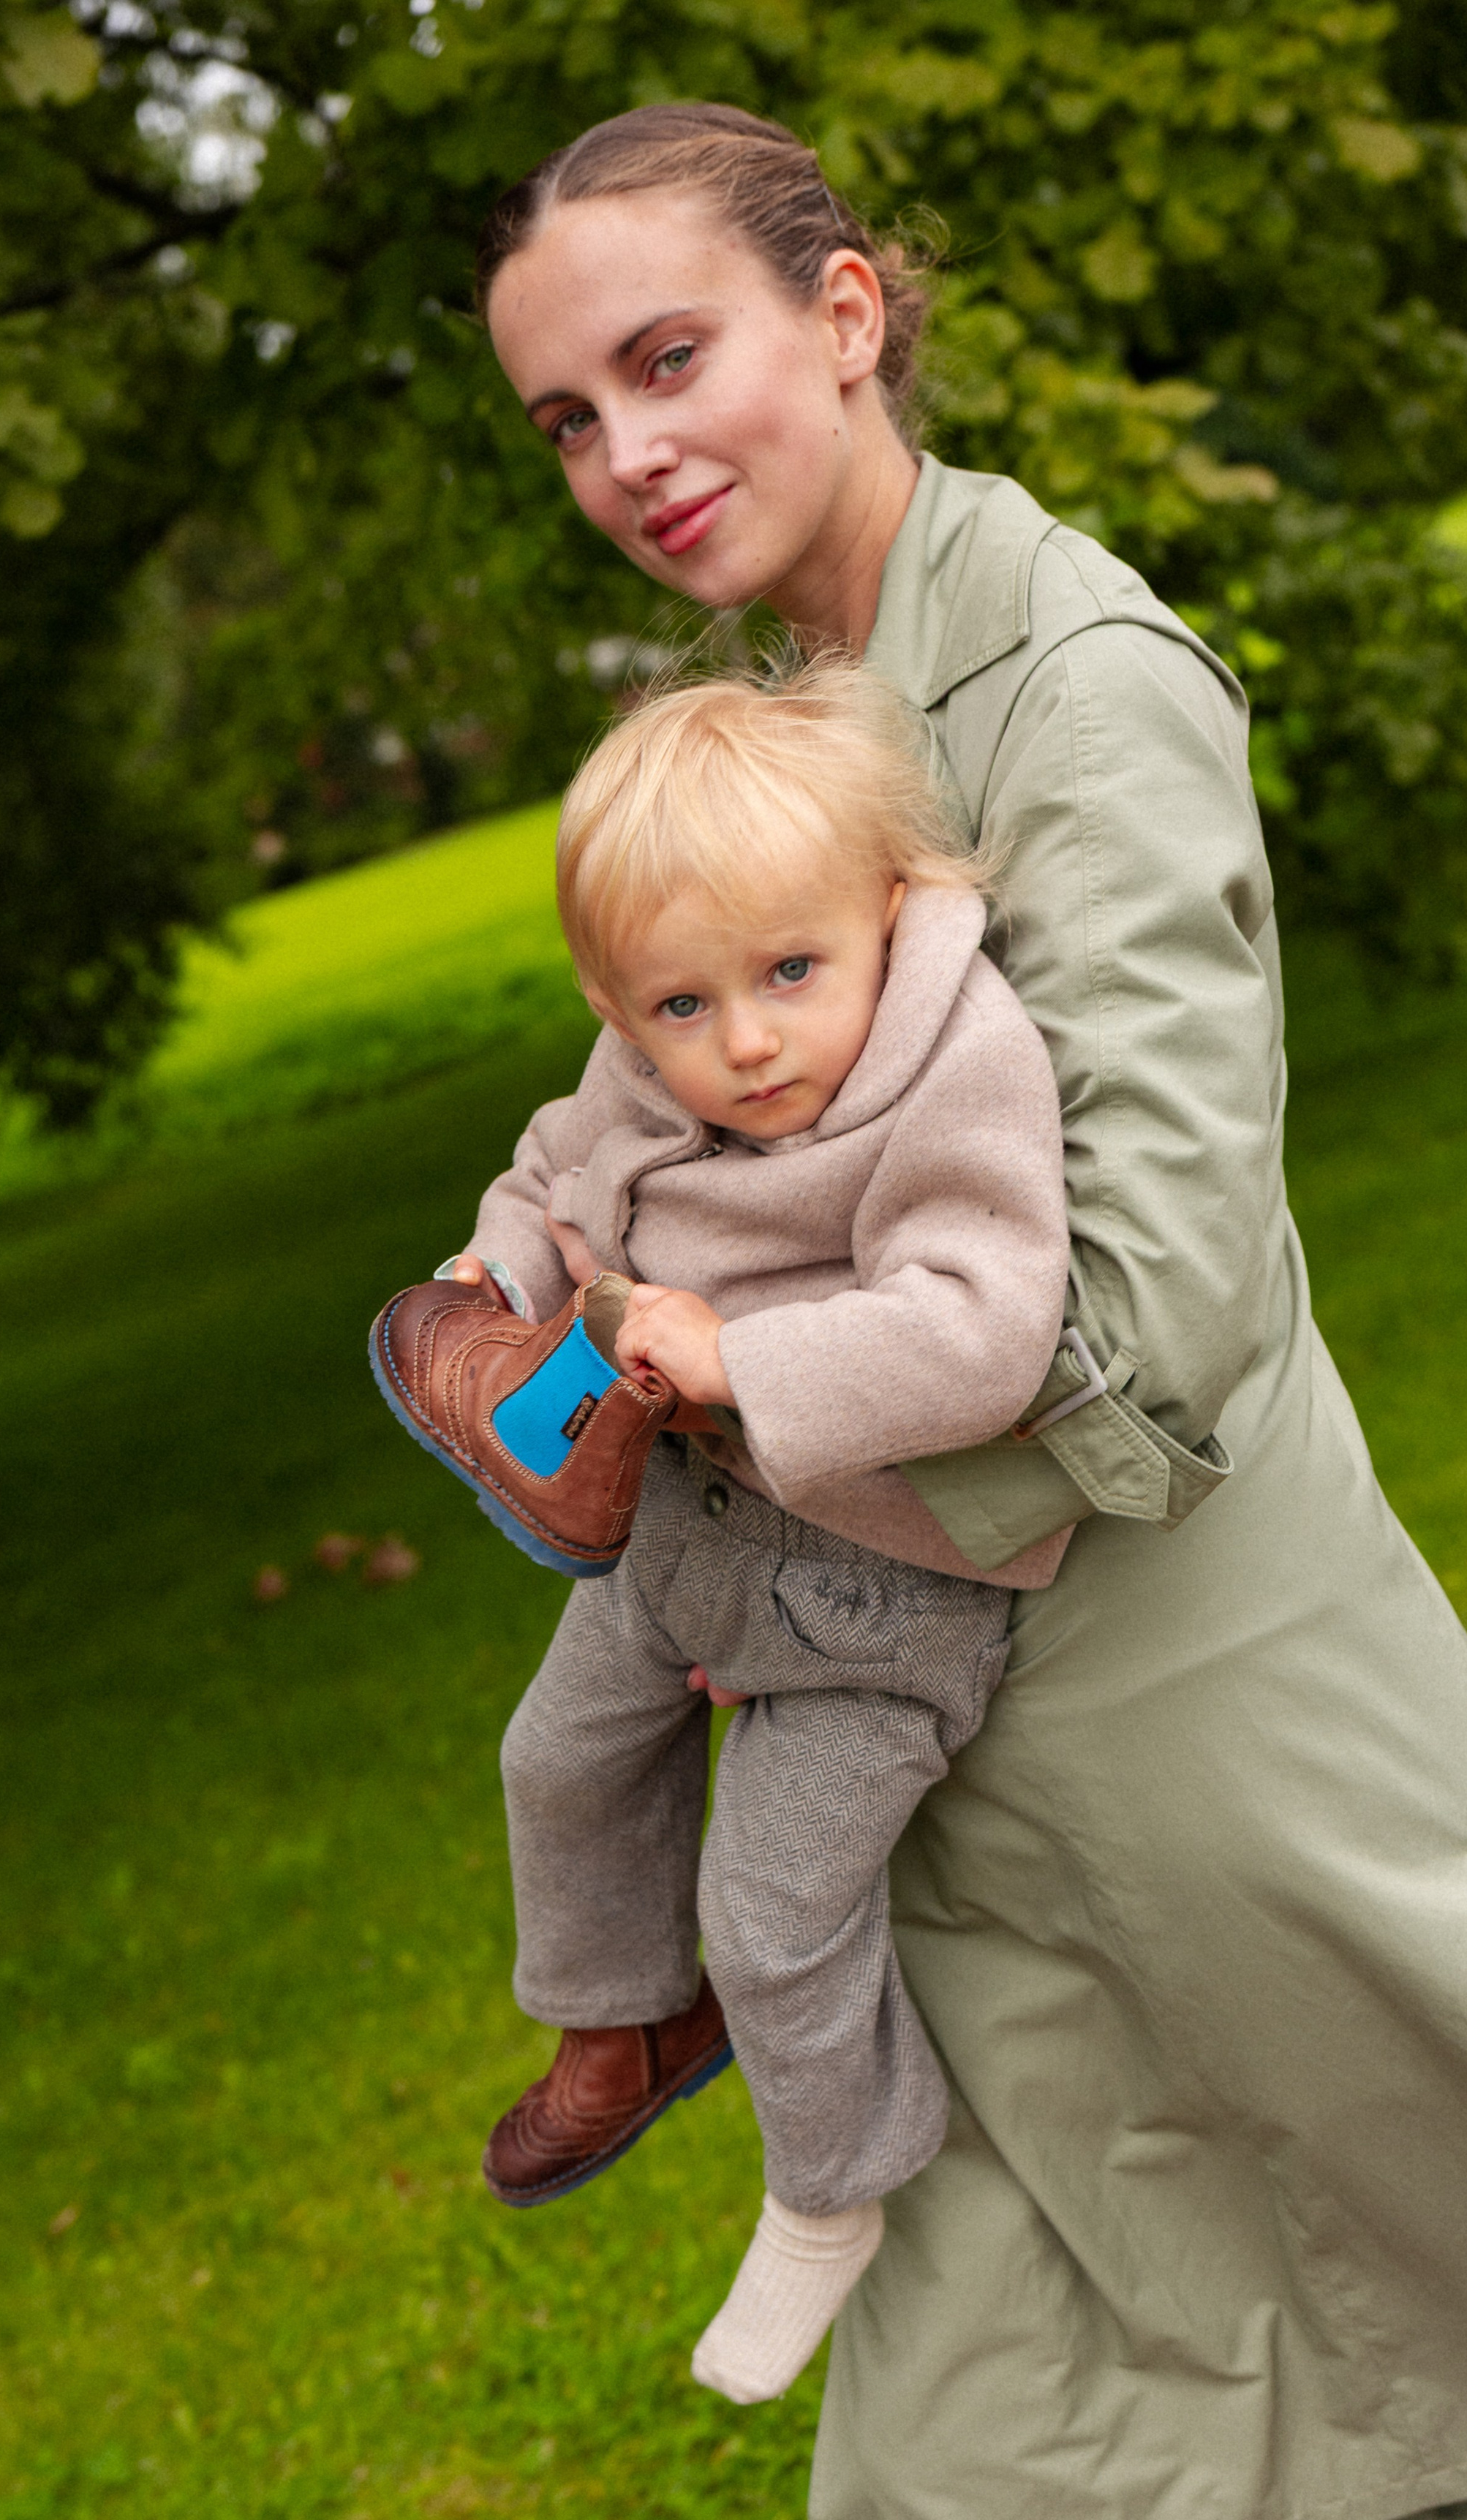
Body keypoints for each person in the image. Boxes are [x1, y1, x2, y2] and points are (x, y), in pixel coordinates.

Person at [466, 99, 1467, 2520]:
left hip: (1198, 1712)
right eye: (567, 416)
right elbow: (683, 1148)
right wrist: (557, 1351)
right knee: (1017, 2420)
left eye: (667, 359)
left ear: (847, 315)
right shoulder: (804, 716)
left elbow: (1155, 1320)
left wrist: (736, 1433)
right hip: (923, 1727)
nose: (627, 453)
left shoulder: (1080, 685)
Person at [438, 657, 1074, 2404]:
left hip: (879, 1591)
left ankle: (826, 2189)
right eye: (681, 1003)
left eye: (791, 971)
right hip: (680, 1539)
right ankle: (625, 2014)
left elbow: (986, 1324)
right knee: (554, 1758)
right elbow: (550, 1166)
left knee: (773, 1912)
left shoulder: (951, 1061)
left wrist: (739, 1354)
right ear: (615, 999)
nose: (745, 1043)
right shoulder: (649, 1066)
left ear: (886, 903)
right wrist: (489, 1275)